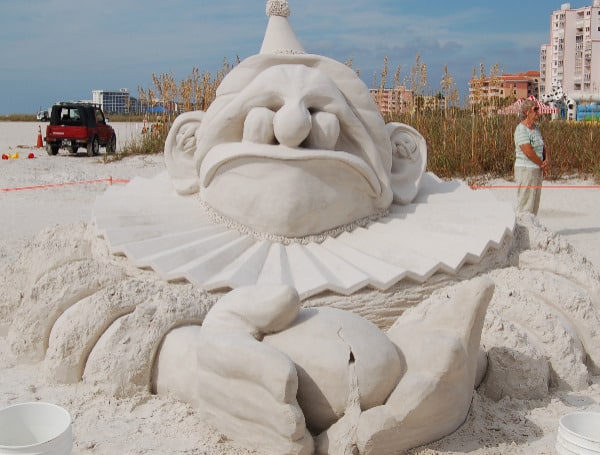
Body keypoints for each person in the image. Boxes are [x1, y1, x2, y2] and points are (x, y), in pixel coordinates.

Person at [514, 99, 549, 214]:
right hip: (525, 169)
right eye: (535, 109)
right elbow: (527, 151)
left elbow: (542, 146)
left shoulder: (536, 129)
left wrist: (545, 160)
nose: (538, 112)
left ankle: (532, 228)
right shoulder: (521, 129)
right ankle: (522, 229)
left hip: (536, 169)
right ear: (527, 112)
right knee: (525, 203)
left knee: (534, 202)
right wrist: (541, 164)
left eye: (538, 109)